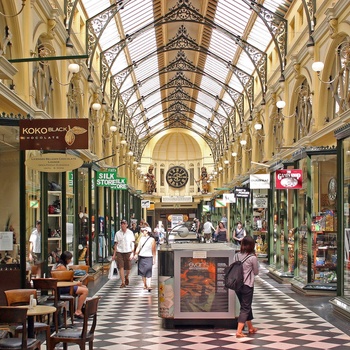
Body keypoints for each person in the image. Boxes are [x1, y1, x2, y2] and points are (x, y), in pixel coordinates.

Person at [52, 250, 89, 319]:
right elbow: (65, 281)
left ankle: (79, 308)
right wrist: (76, 283)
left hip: (63, 286)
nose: (70, 260)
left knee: (84, 287)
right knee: (85, 291)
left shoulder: (60, 265)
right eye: (69, 259)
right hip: (62, 288)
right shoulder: (61, 267)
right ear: (66, 259)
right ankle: (78, 311)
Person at [235, 235, 259, 338]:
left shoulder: (236, 256)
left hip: (237, 285)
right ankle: (239, 331)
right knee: (245, 307)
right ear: (252, 246)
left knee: (245, 305)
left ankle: (250, 327)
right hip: (247, 284)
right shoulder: (252, 257)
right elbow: (256, 272)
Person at [112, 219, 135, 288]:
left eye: (124, 224)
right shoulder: (117, 233)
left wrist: (132, 252)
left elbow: (132, 243)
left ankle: (127, 276)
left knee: (128, 268)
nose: (123, 225)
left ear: (127, 225)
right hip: (120, 252)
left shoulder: (130, 233)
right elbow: (116, 244)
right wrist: (114, 254)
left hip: (128, 251)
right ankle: (123, 282)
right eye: (122, 224)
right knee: (121, 267)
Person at [134, 226, 156, 291]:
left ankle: (149, 285)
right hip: (141, 256)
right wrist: (136, 254)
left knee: (149, 271)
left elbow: (153, 250)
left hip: (149, 257)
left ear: (147, 232)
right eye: (143, 231)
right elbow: (138, 247)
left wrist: (154, 258)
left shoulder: (152, 239)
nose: (143, 232)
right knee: (142, 272)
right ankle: (145, 284)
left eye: (144, 231)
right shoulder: (141, 239)